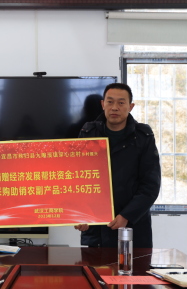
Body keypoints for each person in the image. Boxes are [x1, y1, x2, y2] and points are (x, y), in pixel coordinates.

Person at [74, 83, 161, 248]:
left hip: (133, 226)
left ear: (130, 107)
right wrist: (81, 213)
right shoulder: (88, 133)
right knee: (93, 265)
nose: (114, 107)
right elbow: (77, 178)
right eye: (110, 102)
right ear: (103, 104)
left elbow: (150, 185)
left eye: (121, 103)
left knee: (133, 265)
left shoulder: (143, 137)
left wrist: (126, 215)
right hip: (96, 229)